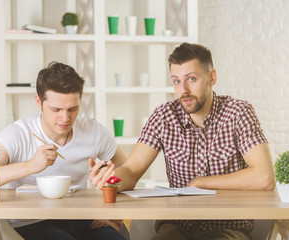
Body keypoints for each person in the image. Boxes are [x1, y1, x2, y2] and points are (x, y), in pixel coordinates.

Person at [89, 43, 276, 240]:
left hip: (227, 226)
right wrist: (108, 179)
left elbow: (264, 177)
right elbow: (131, 170)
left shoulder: (238, 112)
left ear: (212, 77)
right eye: (176, 81)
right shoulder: (163, 116)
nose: (183, 90)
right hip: (177, 226)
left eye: (191, 79)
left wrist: (201, 183)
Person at [0, 62, 127, 240]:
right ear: (39, 102)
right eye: (55, 110)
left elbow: (127, 172)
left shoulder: (94, 131)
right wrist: (30, 166)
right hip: (32, 222)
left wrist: (112, 211)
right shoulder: (18, 134)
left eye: (73, 109)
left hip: (83, 217)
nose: (65, 118)